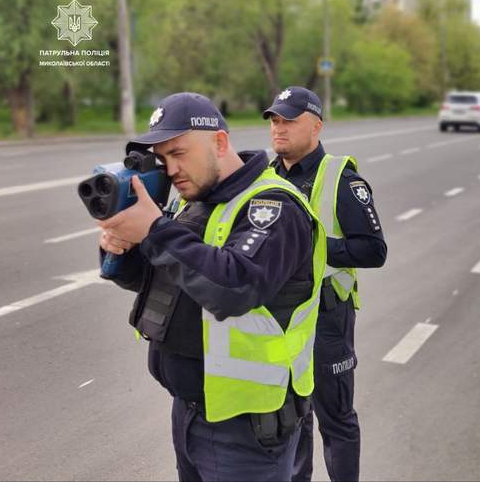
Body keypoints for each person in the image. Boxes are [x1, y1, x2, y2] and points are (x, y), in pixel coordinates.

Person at [97, 92, 326, 482]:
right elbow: (164, 280)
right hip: (190, 413)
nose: (171, 170)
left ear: (219, 143)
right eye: (163, 158)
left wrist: (156, 231)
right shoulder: (197, 201)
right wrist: (126, 248)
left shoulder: (273, 206)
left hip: (246, 430)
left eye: (179, 153)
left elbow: (233, 287)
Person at [262, 86, 387, 482]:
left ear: (315, 127)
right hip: (279, 321)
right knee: (291, 420)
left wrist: (312, 248)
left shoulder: (340, 178)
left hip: (327, 319)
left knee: (336, 419)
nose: (278, 130)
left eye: (289, 121)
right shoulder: (266, 176)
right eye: (275, 121)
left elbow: (373, 250)